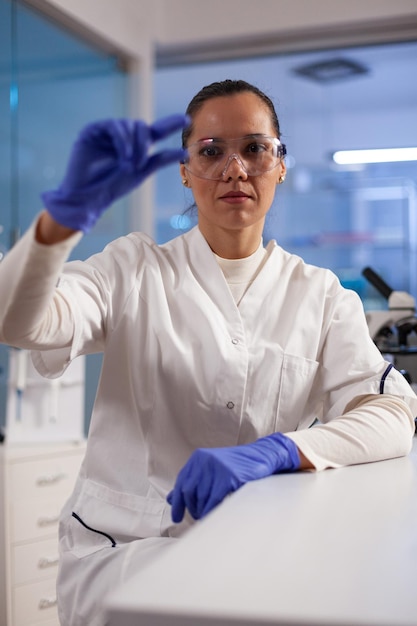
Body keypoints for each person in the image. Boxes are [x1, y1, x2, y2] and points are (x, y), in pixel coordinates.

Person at [0, 79, 416, 626]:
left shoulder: (320, 295)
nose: (234, 168)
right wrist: (60, 222)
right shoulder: (131, 268)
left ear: (281, 164)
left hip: (250, 547)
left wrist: (279, 451)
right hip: (121, 551)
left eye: (254, 148)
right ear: (184, 170)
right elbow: (17, 322)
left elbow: (392, 413)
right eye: (211, 152)